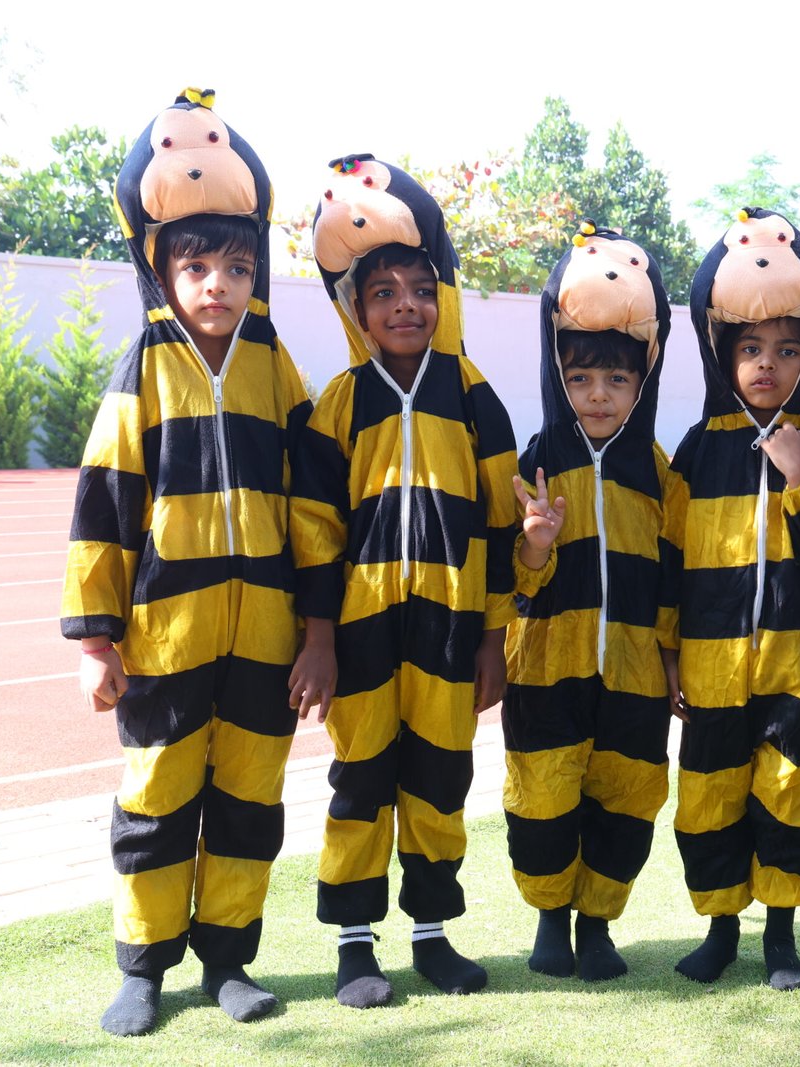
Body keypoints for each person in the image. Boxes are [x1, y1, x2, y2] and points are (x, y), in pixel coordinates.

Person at [62, 88, 311, 1038]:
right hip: (165, 638)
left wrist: (318, 630)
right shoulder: (143, 369)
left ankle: (229, 959)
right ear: (160, 268)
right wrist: (96, 641)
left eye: (237, 267)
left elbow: (312, 510)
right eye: (195, 266)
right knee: (158, 801)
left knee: (248, 799)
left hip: (265, 641)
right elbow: (102, 510)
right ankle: (144, 966)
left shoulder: (275, 369)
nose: (217, 285)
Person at [289, 154, 518, 1009]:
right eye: (382, 293)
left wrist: (493, 636)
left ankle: (431, 932)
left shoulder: (476, 399)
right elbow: (314, 532)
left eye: (421, 289)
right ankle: (354, 940)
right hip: (361, 631)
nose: (404, 306)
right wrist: (319, 639)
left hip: (451, 628)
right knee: (362, 780)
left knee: (439, 778)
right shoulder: (339, 404)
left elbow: (500, 525)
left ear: (443, 296)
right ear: (355, 309)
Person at [666, 208, 800, 990]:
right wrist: (669, 652)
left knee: (791, 793)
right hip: (711, 668)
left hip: (797, 666)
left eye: (786, 349)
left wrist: (799, 474)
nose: (767, 365)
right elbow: (669, 561)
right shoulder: (698, 448)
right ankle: (720, 931)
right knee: (709, 797)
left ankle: (781, 936)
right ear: (724, 353)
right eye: (751, 349)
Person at [502, 221, 677, 982]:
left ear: (643, 383)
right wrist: (536, 546)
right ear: (557, 378)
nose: (598, 395)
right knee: (544, 796)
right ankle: (550, 916)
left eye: (616, 380)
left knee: (627, 796)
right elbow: (513, 579)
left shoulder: (657, 472)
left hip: (636, 671)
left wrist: (672, 657)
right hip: (546, 665)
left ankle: (598, 920)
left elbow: (673, 575)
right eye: (579, 379)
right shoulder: (538, 462)